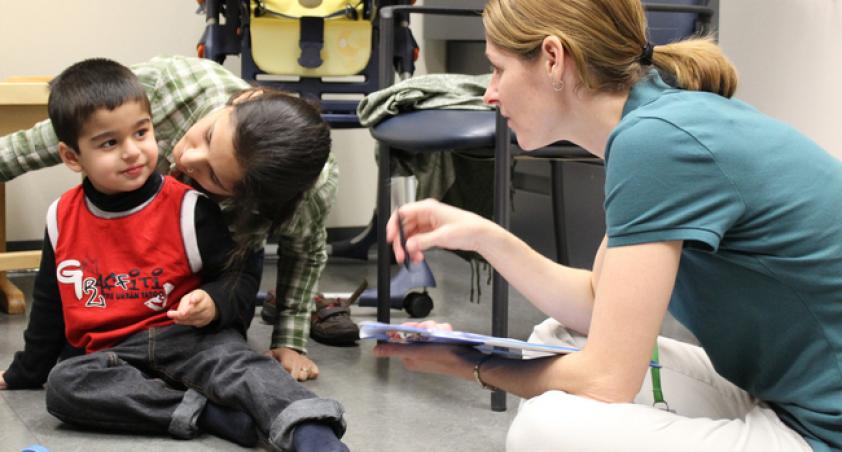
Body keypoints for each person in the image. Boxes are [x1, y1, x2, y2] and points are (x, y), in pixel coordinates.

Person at [374, 0, 842, 450]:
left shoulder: (655, 144)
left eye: (498, 68)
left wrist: (474, 364)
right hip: (785, 401)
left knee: (544, 429)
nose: (489, 92)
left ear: (554, 59)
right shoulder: (655, 119)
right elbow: (597, 304)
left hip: (823, 431)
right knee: (555, 339)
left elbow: (607, 381)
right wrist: (482, 234)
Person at [0, 58, 348, 451]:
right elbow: (49, 304)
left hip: (190, 338)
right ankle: (208, 414)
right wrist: (25, 372)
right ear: (71, 157)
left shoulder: (192, 207)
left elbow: (240, 277)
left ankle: (312, 432)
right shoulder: (62, 216)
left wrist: (215, 303)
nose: (133, 153)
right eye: (110, 143)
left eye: (142, 133)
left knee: (246, 366)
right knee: (66, 386)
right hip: (111, 349)